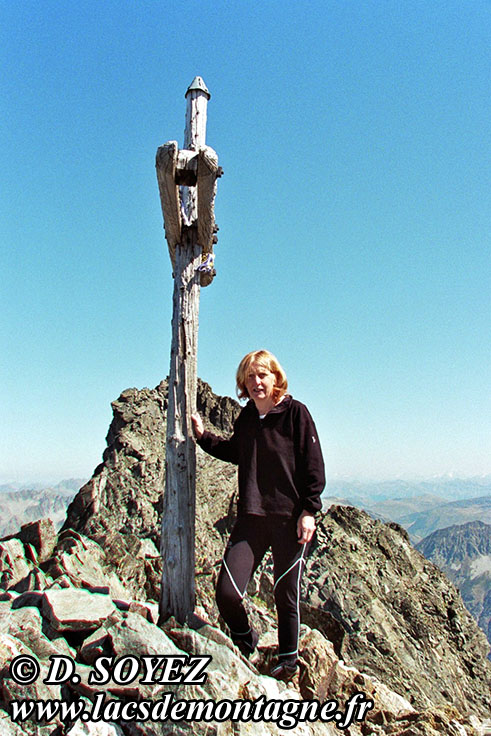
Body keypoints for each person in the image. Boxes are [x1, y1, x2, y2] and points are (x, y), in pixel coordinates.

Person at [191, 349, 325, 681]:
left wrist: (309, 510)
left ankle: (288, 662)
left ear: (276, 378)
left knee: (285, 593)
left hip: (289, 520)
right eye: (249, 376)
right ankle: (246, 641)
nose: (256, 382)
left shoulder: (296, 414)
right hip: (251, 518)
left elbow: (313, 465)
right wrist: (202, 435)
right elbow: (235, 451)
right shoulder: (248, 417)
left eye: (263, 375)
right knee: (227, 592)